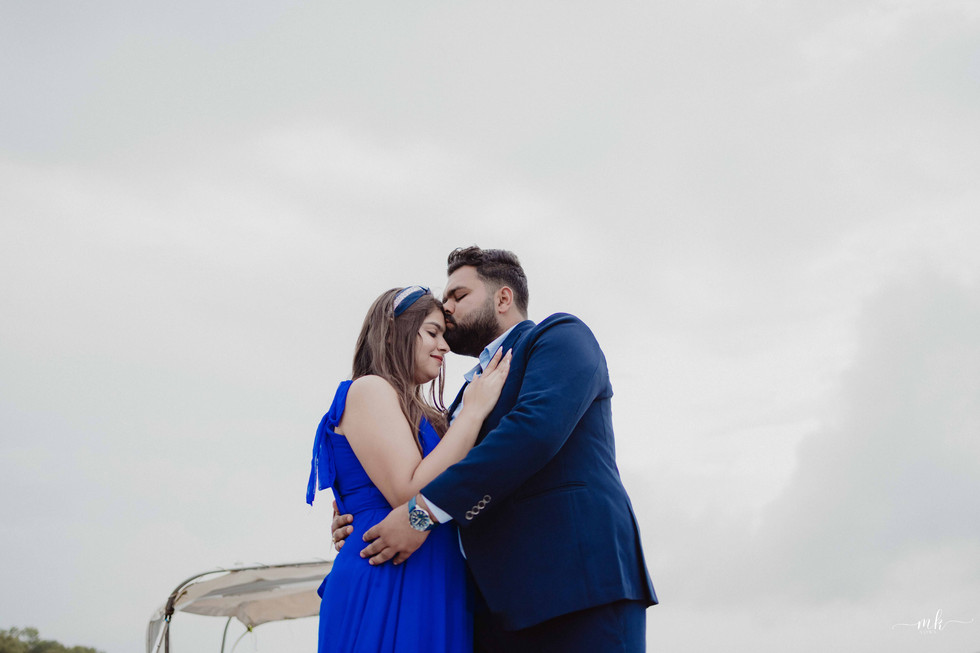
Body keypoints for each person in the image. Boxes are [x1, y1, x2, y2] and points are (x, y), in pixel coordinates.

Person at [333, 247, 657, 652]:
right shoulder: (460, 401)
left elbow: (533, 432)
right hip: (486, 610)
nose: (447, 308)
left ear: (503, 298)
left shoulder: (559, 337)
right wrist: (358, 511)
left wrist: (422, 513)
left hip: (577, 590)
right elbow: (423, 469)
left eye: (458, 296)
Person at [306, 284, 511, 652]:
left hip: (436, 574)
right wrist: (475, 411)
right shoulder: (369, 389)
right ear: (391, 332)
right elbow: (408, 491)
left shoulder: (428, 414)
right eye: (432, 332)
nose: (444, 346)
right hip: (388, 572)